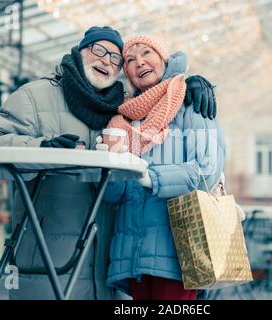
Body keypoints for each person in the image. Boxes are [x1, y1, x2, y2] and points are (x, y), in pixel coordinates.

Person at [0, 26, 218, 299]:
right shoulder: (36, 95)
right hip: (48, 259)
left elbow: (203, 167)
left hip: (106, 265)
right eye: (99, 50)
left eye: (115, 57)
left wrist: (193, 82)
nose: (107, 60)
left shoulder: (120, 111)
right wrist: (41, 147)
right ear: (79, 53)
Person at [99, 36, 226, 300]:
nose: (139, 62)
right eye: (130, 60)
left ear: (163, 59)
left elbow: (207, 169)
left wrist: (151, 177)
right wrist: (108, 168)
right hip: (132, 254)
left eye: (147, 53)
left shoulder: (190, 101)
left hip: (179, 250)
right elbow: (115, 196)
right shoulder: (124, 119)